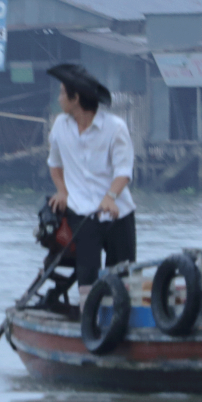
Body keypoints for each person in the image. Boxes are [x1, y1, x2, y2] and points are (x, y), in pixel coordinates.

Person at [44, 63, 135, 308]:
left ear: (76, 99)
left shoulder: (114, 128)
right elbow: (55, 164)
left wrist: (110, 196)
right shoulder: (60, 127)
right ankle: (89, 322)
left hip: (119, 211)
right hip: (81, 211)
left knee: (121, 273)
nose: (59, 98)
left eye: (63, 93)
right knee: (88, 273)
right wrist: (62, 191)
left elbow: (123, 171)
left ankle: (119, 318)